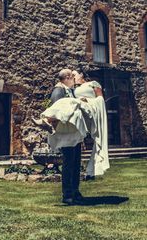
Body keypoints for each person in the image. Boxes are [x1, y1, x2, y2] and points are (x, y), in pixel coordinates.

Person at [45, 68, 84, 205]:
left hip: (75, 132)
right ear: (67, 77)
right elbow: (57, 109)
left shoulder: (71, 91)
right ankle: (67, 194)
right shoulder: (59, 90)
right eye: (72, 77)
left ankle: (75, 191)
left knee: (76, 163)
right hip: (66, 134)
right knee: (69, 163)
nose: (74, 79)